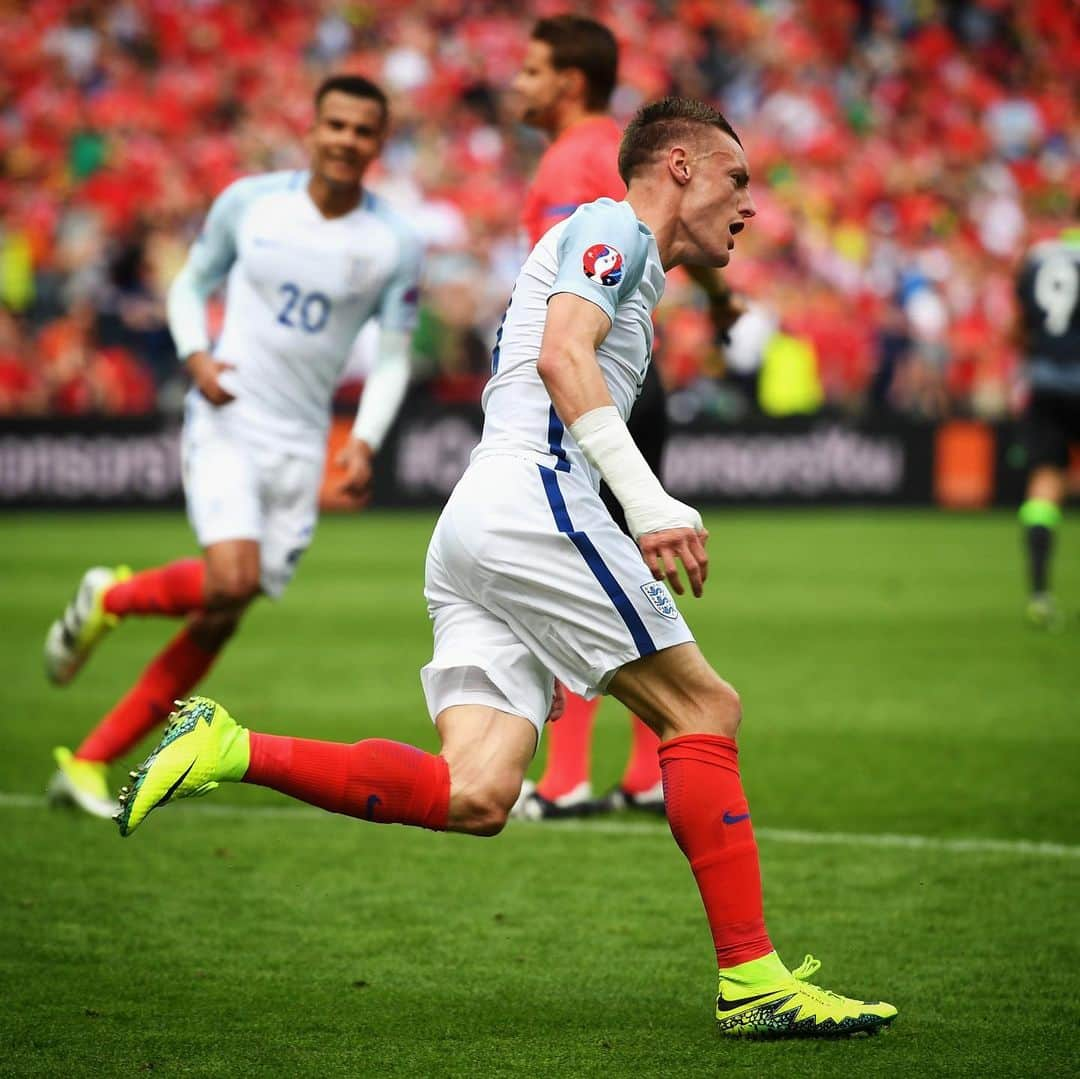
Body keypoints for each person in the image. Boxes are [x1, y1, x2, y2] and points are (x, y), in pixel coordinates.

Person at [115, 97, 896, 1038]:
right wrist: (647, 505)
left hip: (479, 520)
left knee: (478, 790)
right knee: (704, 709)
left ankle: (229, 746)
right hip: (536, 502)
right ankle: (753, 980)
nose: (752, 207)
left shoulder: (634, 267)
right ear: (679, 166)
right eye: (739, 180)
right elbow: (565, 359)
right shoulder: (611, 227)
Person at [43, 75, 423, 818]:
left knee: (225, 609)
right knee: (229, 576)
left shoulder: (394, 243)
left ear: (379, 143)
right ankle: (110, 596)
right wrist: (195, 355)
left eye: (362, 130)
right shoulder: (251, 203)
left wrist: (365, 440)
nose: (346, 139)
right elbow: (190, 285)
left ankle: (87, 761)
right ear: (311, 130)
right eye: (335, 124)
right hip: (228, 415)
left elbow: (393, 356)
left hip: (303, 439)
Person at [512, 15, 744, 818]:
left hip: (599, 379)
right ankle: (647, 772)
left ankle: (568, 774)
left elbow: (592, 286)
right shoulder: (603, 149)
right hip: (625, 377)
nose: (518, 82)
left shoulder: (579, 163)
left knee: (587, 552)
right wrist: (720, 303)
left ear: (570, 82)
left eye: (532, 70)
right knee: (622, 558)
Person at [1015, 222, 1080, 629]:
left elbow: (1021, 324)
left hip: (1043, 381)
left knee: (1044, 482)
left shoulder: (1038, 257)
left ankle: (1040, 594)